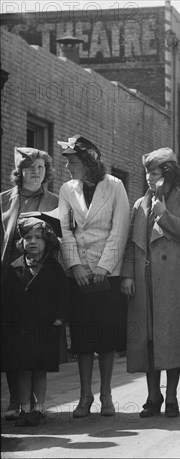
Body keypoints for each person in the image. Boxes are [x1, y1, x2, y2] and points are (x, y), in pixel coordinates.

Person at [121, 147, 180, 418]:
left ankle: (171, 398)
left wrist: (164, 215)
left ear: (168, 173)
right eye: (147, 172)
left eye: (154, 172)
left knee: (172, 340)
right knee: (148, 342)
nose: (149, 177)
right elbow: (130, 245)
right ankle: (152, 397)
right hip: (145, 281)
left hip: (173, 282)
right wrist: (127, 275)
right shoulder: (139, 203)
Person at [58, 135, 130, 418]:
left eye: (73, 162)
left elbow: (120, 228)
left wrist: (104, 267)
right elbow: (65, 231)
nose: (68, 168)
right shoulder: (67, 189)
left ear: (88, 161)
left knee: (107, 338)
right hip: (80, 275)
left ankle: (107, 395)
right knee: (83, 338)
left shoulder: (115, 186)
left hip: (106, 275)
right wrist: (75, 265)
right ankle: (84, 395)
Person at [1, 147, 58, 421]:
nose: (36, 173)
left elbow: (58, 243)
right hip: (11, 279)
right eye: (29, 167)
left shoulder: (55, 201)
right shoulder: (4, 200)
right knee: (13, 340)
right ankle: (16, 401)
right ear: (19, 172)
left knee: (35, 342)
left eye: (41, 168)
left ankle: (36, 404)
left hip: (41, 281)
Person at [1, 213, 68, 426]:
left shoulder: (54, 269)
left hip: (45, 328)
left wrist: (59, 318)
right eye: (28, 238)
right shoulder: (14, 268)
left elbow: (62, 295)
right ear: (21, 242)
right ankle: (24, 409)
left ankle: (38, 410)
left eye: (38, 238)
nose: (33, 242)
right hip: (20, 328)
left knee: (39, 369)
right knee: (23, 369)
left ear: (46, 242)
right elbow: (8, 298)